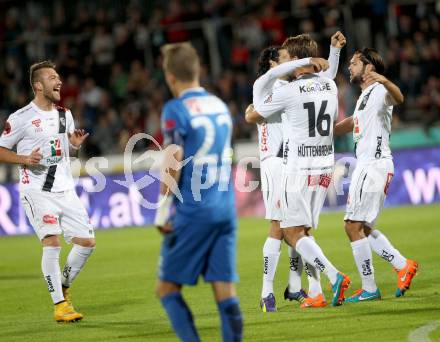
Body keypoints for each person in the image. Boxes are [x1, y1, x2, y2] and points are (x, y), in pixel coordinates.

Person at [246, 34, 350, 307]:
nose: (286, 64)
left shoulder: (286, 89)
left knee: (286, 229)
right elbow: (325, 77)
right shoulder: (283, 84)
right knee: (291, 229)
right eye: (281, 59)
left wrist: (323, 57)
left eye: (288, 58)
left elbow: (253, 112)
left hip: (291, 163)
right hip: (289, 162)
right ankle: (303, 290)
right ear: (274, 64)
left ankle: (289, 288)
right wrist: (331, 54)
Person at [154, 42, 242, 342]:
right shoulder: (220, 105)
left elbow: (174, 158)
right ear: (198, 70)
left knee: (166, 288)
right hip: (225, 208)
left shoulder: (175, 109)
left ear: (170, 75)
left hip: (194, 210)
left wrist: (163, 209)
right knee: (224, 289)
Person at [0, 61, 93, 322]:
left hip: (65, 189)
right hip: (37, 190)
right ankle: (60, 305)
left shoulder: (66, 114)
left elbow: (62, 149)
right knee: (51, 242)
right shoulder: (20, 118)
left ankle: (62, 286)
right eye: (53, 78)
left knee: (87, 243)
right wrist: (24, 159)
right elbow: (1, 149)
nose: (59, 81)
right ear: (38, 86)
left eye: (59, 77)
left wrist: (73, 146)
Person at [334, 48, 418, 302]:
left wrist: (385, 81)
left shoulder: (381, 90)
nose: (349, 67)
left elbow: (399, 98)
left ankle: (370, 288)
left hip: (374, 165)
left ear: (369, 67)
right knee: (363, 228)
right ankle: (402, 265)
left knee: (352, 226)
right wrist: (326, 132)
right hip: (368, 165)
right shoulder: (363, 97)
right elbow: (353, 121)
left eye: (354, 63)